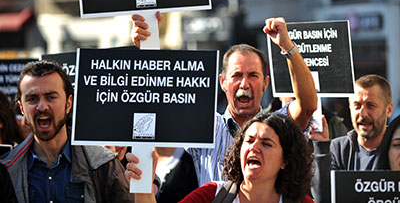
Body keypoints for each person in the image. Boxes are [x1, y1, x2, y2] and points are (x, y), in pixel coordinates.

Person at [131, 15, 318, 186]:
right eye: (237, 75)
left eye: (253, 75)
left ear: (265, 83)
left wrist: (288, 47)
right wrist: (149, 45)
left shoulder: (278, 128)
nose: (244, 83)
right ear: (222, 82)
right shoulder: (205, 126)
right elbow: (158, 104)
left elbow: (307, 106)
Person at [0, 60, 134, 202]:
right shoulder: (6, 169)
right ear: (21, 108)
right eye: (32, 99)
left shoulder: (102, 165)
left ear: (68, 103)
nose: (42, 106)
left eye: (51, 97)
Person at [126, 114, 314, 203]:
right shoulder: (212, 195)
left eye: (266, 143)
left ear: (285, 160)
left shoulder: (302, 202)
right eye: (249, 141)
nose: (254, 147)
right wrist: (144, 190)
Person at [310, 74, 393, 203]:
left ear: (389, 110)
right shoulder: (337, 149)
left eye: (370, 105)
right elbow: (323, 198)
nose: (362, 114)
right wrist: (321, 149)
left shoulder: (396, 151)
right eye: (357, 105)